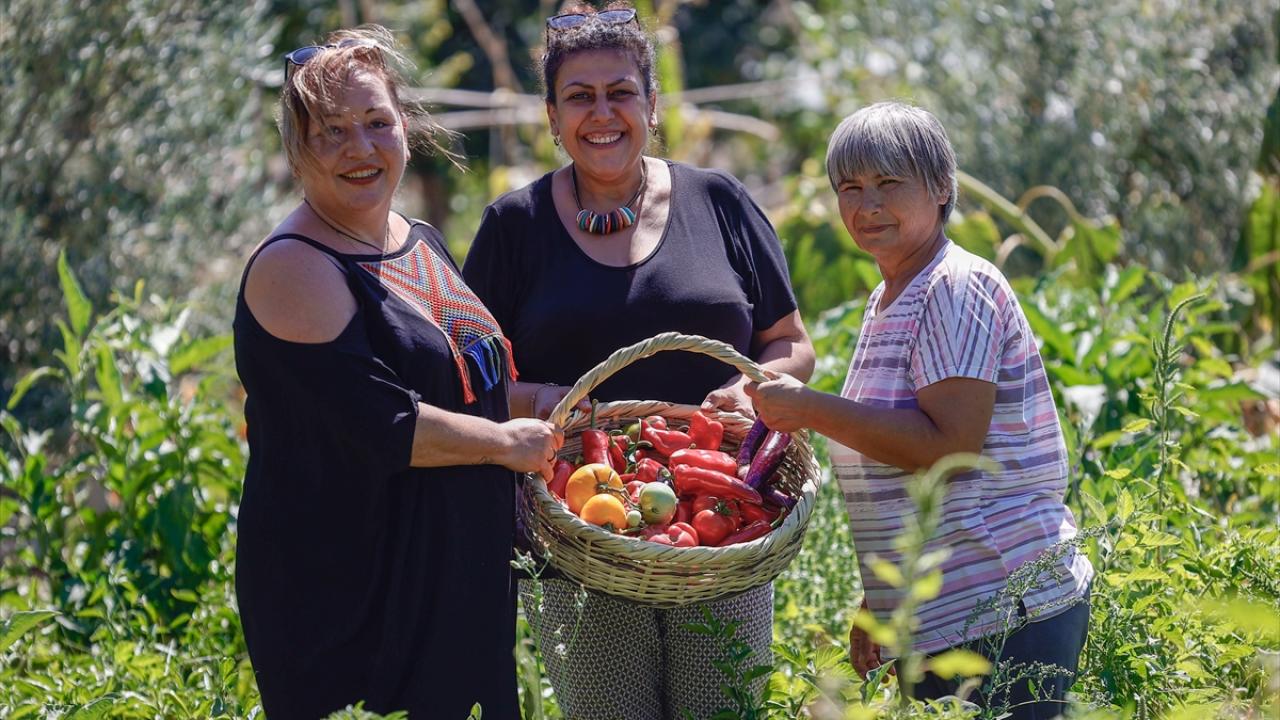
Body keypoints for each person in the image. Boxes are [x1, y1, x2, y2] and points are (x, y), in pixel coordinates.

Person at [461, 4, 815, 717]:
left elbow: (791, 343)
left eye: (621, 92)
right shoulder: (513, 228)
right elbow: (471, 382)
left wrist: (750, 391)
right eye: (579, 97)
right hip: (579, 532)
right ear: (552, 117)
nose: (602, 114)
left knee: (724, 710)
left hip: (720, 523)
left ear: (652, 105)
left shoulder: (720, 203)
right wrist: (548, 399)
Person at [232, 25, 561, 719]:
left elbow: (464, 382)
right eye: (332, 131)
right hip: (354, 601)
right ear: (297, 151)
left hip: (452, 585)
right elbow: (382, 425)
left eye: (377, 122)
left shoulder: (418, 239)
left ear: (405, 127)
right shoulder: (295, 267)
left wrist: (543, 404)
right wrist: (507, 446)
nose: (361, 147)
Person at [744, 101, 1094, 719]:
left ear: (940, 189)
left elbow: (948, 451)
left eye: (888, 183)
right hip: (944, 614)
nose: (867, 205)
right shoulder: (888, 298)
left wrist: (809, 408)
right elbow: (892, 458)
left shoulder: (955, 287)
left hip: (1005, 609)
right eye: (850, 188)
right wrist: (879, 601)